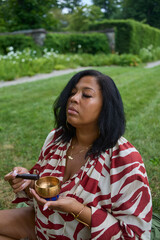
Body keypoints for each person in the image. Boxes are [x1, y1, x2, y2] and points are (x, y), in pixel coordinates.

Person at [0, 70, 152, 240]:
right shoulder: (56, 139)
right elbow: (40, 183)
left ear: (106, 107)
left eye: (86, 95)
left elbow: (135, 235)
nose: (73, 99)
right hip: (43, 225)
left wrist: (77, 210)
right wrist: (26, 181)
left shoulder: (125, 159)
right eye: (72, 93)